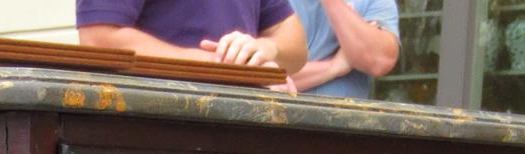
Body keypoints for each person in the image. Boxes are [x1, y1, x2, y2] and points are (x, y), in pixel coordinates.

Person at [77, 0, 307, 76]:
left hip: (242, 138)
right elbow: (98, 40)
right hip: (154, 136)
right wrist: (228, 67)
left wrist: (265, 48)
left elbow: (297, 49)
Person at [288, 0, 399, 96]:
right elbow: (272, 78)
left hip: (344, 118)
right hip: (279, 116)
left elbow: (379, 61)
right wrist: (334, 67)